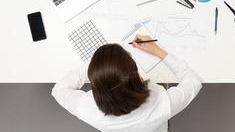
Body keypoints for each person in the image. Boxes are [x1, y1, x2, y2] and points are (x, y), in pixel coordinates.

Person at [52, 35, 202, 132]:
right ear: (138, 76)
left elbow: (59, 90)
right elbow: (193, 81)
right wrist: (159, 52)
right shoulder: (162, 104)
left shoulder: (89, 109)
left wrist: (99, 68)